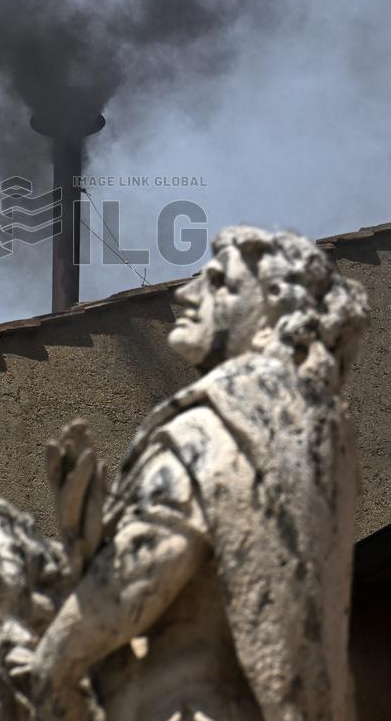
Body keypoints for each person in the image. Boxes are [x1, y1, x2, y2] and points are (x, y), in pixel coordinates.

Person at [28, 226, 369, 721]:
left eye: (218, 283)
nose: (186, 294)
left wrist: (50, 665)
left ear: (275, 315)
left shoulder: (214, 429)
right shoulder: (319, 438)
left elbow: (137, 577)